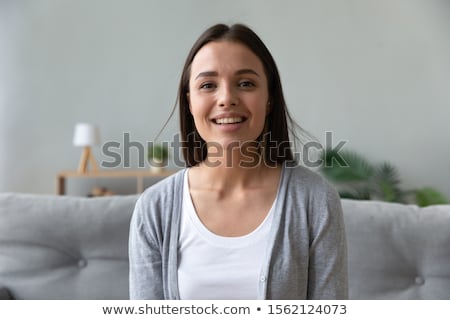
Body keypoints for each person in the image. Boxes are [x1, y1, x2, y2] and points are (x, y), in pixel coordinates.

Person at [129, 23, 348, 300]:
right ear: (189, 102)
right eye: (208, 85)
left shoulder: (316, 201)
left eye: (246, 83)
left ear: (269, 99)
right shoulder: (154, 209)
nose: (227, 99)